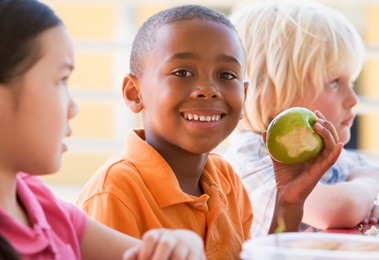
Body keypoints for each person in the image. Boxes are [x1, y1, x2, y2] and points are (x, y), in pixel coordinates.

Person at [76, 4, 343, 259]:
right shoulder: (116, 191)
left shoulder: (226, 180)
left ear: (245, 94)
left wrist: (289, 201)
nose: (208, 89)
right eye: (182, 72)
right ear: (135, 93)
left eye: (226, 75)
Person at [0, 0, 206, 259]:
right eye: (60, 80)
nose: (73, 108)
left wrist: (183, 245)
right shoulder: (112, 188)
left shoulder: (41, 205)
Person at [223, 0, 379, 237]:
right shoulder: (251, 161)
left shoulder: (338, 156)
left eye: (352, 82)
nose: (353, 99)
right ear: (273, 99)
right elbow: (341, 208)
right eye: (334, 83)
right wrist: (368, 184)